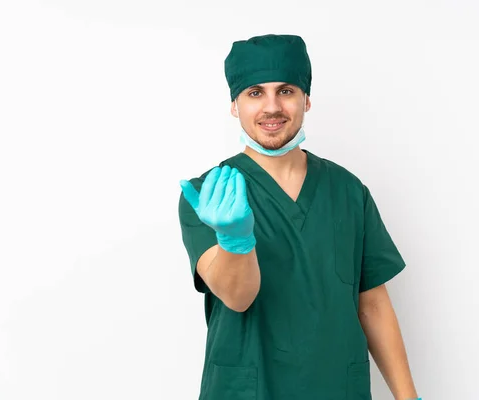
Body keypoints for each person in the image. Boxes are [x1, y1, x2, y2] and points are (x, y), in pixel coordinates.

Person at [178, 34, 421, 400]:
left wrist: (408, 398)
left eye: (286, 91)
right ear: (235, 105)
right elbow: (237, 297)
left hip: (337, 388)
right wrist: (235, 240)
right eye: (255, 93)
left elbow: (372, 304)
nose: (271, 107)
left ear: (306, 99)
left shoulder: (348, 191)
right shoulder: (210, 196)